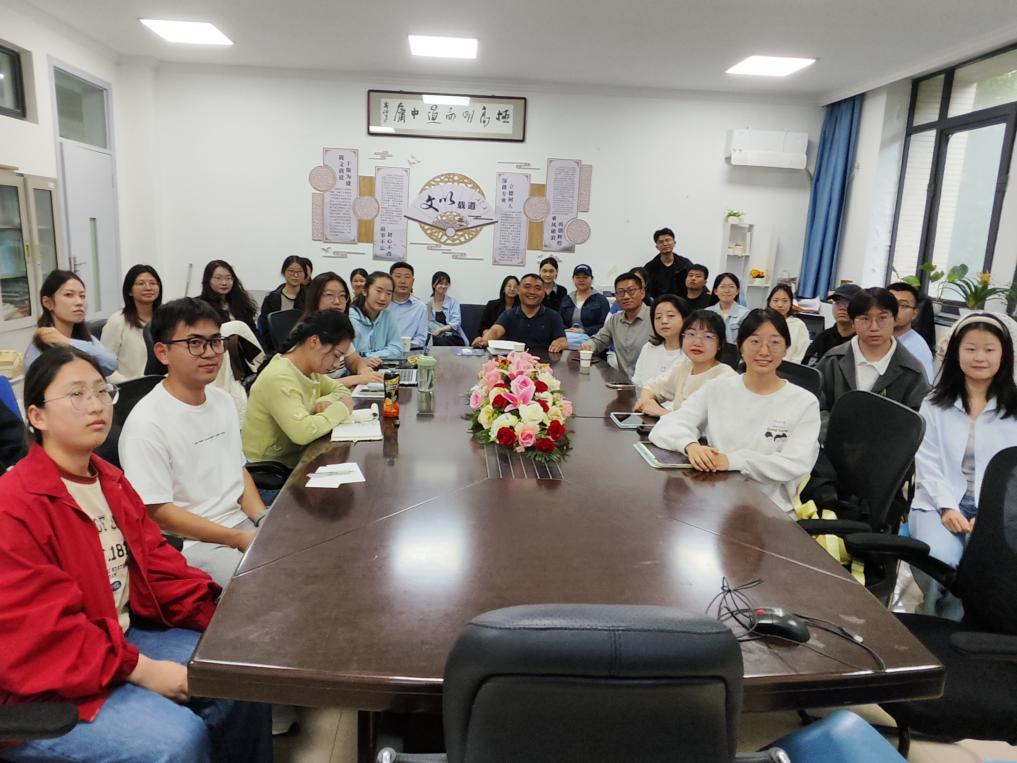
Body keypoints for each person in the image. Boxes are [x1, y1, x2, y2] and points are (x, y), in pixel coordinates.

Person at [0, 346, 272, 762]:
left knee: (239, 670)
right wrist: (142, 669)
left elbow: (158, 564)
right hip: (48, 680)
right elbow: (42, 634)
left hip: (116, 636)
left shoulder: (109, 480)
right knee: (176, 741)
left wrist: (218, 614)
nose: (96, 405)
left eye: (101, 391)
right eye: (77, 395)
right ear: (37, 416)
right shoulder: (15, 504)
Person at [119, 298, 270, 588]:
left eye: (215, 341)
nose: (210, 353)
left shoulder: (222, 401)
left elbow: (237, 470)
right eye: (195, 343)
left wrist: (262, 518)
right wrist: (237, 538)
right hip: (192, 543)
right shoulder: (146, 423)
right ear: (162, 352)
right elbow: (158, 512)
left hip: (241, 525)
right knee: (264, 586)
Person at [649, 309, 821, 515]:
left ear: (786, 349)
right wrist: (690, 445)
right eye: (754, 341)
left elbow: (795, 463)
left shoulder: (804, 402)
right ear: (740, 347)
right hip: (714, 501)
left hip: (771, 510)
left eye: (774, 342)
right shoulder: (718, 388)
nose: (764, 351)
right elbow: (668, 425)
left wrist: (733, 461)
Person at [909, 313, 1017, 620]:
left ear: (1004, 355)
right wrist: (947, 507)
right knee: (938, 561)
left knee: (979, 571)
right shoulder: (934, 403)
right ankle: (931, 620)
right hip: (937, 503)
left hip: (999, 511)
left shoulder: (1014, 407)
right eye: (970, 349)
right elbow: (926, 462)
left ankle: (957, 626)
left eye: (989, 349)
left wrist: (991, 515)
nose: (979, 357)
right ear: (957, 353)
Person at [243, 311, 355, 469]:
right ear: (314, 341)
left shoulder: (311, 370)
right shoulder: (280, 377)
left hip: (297, 460)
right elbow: (302, 432)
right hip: (269, 472)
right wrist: (341, 408)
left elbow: (341, 389)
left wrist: (326, 400)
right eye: (336, 355)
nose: (337, 364)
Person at [816, 287, 929, 437]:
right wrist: (835, 434)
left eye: (882, 318)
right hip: (832, 445)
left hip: (886, 449)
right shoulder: (833, 360)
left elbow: (916, 423)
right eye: (865, 319)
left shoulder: (912, 371)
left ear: (894, 319)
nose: (874, 327)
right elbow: (814, 406)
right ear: (853, 322)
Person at [635, 309, 736, 417]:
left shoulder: (726, 378)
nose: (697, 342)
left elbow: (706, 423)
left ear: (720, 344)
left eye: (707, 336)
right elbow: (653, 386)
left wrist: (663, 413)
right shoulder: (684, 366)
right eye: (691, 334)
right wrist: (645, 402)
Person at [25, 270, 117, 376]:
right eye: (68, 295)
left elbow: (111, 365)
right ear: (48, 303)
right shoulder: (40, 346)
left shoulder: (84, 337)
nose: (79, 302)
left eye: (82, 296)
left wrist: (67, 342)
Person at [301, 271, 383, 388]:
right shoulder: (307, 334)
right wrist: (358, 379)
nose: (337, 302)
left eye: (342, 296)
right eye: (329, 295)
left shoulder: (339, 328)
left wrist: (363, 369)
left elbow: (353, 360)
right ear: (315, 297)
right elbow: (312, 386)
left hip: (342, 389)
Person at [581, 272, 654, 380]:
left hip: (650, 384)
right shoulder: (614, 320)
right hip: (624, 383)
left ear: (642, 292)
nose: (626, 296)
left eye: (631, 291)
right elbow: (599, 340)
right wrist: (589, 345)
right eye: (620, 292)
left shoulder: (655, 317)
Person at [96, 265, 161, 384]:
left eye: (153, 283)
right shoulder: (117, 321)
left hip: (163, 385)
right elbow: (103, 365)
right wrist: (127, 384)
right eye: (141, 283)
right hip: (130, 387)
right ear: (129, 291)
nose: (148, 287)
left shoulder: (166, 319)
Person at [473, 273, 569, 352]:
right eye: (527, 287)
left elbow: (562, 340)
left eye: (538, 288)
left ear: (543, 294)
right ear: (518, 290)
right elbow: (495, 331)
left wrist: (560, 343)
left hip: (544, 365)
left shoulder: (554, 316)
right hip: (514, 364)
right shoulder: (508, 314)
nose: (532, 292)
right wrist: (483, 340)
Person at [631, 295, 689, 390]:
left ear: (685, 319)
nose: (664, 321)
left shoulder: (691, 353)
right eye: (658, 317)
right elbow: (637, 383)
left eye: (670, 316)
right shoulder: (649, 348)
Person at [801, 283, 861, 366]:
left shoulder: (863, 340)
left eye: (848, 302)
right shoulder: (823, 338)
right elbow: (807, 369)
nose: (842, 307)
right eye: (837, 302)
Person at [349, 271, 402, 364]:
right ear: (365, 291)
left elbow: (397, 349)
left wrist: (368, 356)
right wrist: (362, 360)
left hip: (381, 367)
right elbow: (347, 356)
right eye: (378, 291)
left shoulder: (388, 316)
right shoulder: (350, 318)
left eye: (388, 293)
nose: (383, 298)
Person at [887, 281, 935, 383]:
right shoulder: (876, 337)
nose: (895, 310)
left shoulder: (918, 349)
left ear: (914, 314)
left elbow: (924, 387)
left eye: (903, 305)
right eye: (891, 304)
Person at [198, 260, 259, 339]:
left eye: (228, 278)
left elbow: (253, 333)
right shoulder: (199, 306)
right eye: (218, 278)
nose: (224, 282)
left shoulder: (240, 303)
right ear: (208, 280)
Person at [257, 255, 307, 351]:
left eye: (299, 271)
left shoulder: (310, 298)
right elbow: (265, 329)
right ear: (284, 272)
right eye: (291, 271)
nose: (295, 275)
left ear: (305, 274)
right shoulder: (271, 298)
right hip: (275, 347)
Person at [559, 264, 610, 340]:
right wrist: (567, 330)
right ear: (573, 279)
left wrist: (585, 331)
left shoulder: (601, 300)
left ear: (591, 279)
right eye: (578, 277)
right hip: (568, 338)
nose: (581, 280)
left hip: (593, 340)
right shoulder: (567, 298)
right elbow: (559, 321)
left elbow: (605, 325)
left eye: (585, 277)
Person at [388, 262, 429, 350]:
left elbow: (420, 339)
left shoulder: (420, 307)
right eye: (398, 276)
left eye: (407, 277)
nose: (403, 281)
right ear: (390, 280)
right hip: (381, 353)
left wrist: (402, 348)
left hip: (409, 353)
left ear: (413, 281)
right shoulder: (382, 303)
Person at [643, 227, 692, 299]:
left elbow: (695, 279)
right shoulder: (650, 267)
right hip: (659, 303)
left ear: (674, 243)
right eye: (661, 242)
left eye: (667, 240)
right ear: (657, 246)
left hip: (682, 302)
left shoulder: (684, 263)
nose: (665, 244)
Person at [766, 283, 809, 364]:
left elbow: (800, 355)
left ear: (791, 303)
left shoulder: (799, 325)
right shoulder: (762, 322)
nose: (780, 305)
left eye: (785, 301)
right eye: (775, 300)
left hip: (788, 368)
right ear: (769, 302)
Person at [706, 272, 750, 345]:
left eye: (731, 287)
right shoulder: (707, 312)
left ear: (737, 291)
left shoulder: (745, 313)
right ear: (715, 291)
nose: (727, 291)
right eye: (722, 287)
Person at [427, 271, 469, 346]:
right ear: (433, 285)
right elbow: (427, 324)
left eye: (446, 284)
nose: (443, 286)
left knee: (440, 340)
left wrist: (440, 330)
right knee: (433, 340)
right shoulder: (428, 304)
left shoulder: (453, 302)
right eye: (440, 283)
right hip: (434, 337)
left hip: (453, 337)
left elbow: (456, 323)